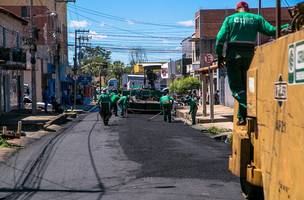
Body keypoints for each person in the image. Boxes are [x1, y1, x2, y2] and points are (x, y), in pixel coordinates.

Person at [215, 1, 288, 125]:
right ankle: (242, 117)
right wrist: (286, 27)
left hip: (234, 56)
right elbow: (271, 31)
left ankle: (250, 105)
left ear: (237, 9)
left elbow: (220, 39)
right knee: (246, 87)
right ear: (248, 9)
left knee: (236, 88)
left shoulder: (230, 19)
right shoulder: (256, 18)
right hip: (250, 56)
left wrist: (219, 55)